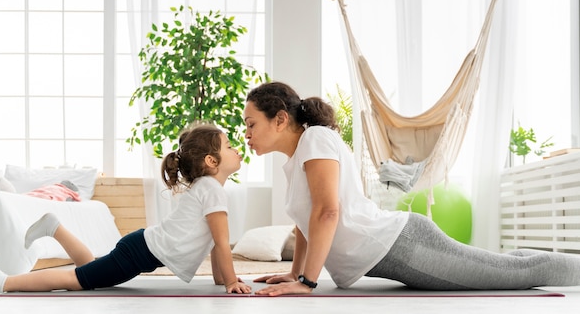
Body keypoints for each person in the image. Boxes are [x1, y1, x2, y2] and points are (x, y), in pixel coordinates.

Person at [243, 81, 580, 297]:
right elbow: (308, 222)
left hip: (403, 245)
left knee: (514, 274)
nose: (246, 133)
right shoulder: (299, 156)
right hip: (397, 248)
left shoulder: (315, 139)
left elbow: (328, 211)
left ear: (281, 119)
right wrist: (294, 272)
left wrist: (307, 283)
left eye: (251, 123)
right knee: (505, 266)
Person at [0, 123, 251, 295]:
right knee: (78, 280)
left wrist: (224, 280)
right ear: (212, 161)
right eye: (228, 146)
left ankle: (55, 228)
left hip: (139, 247)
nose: (236, 149)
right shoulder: (212, 191)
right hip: (139, 252)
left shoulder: (209, 189)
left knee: (90, 270)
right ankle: (4, 282)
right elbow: (223, 242)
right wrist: (231, 282)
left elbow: (215, 243)